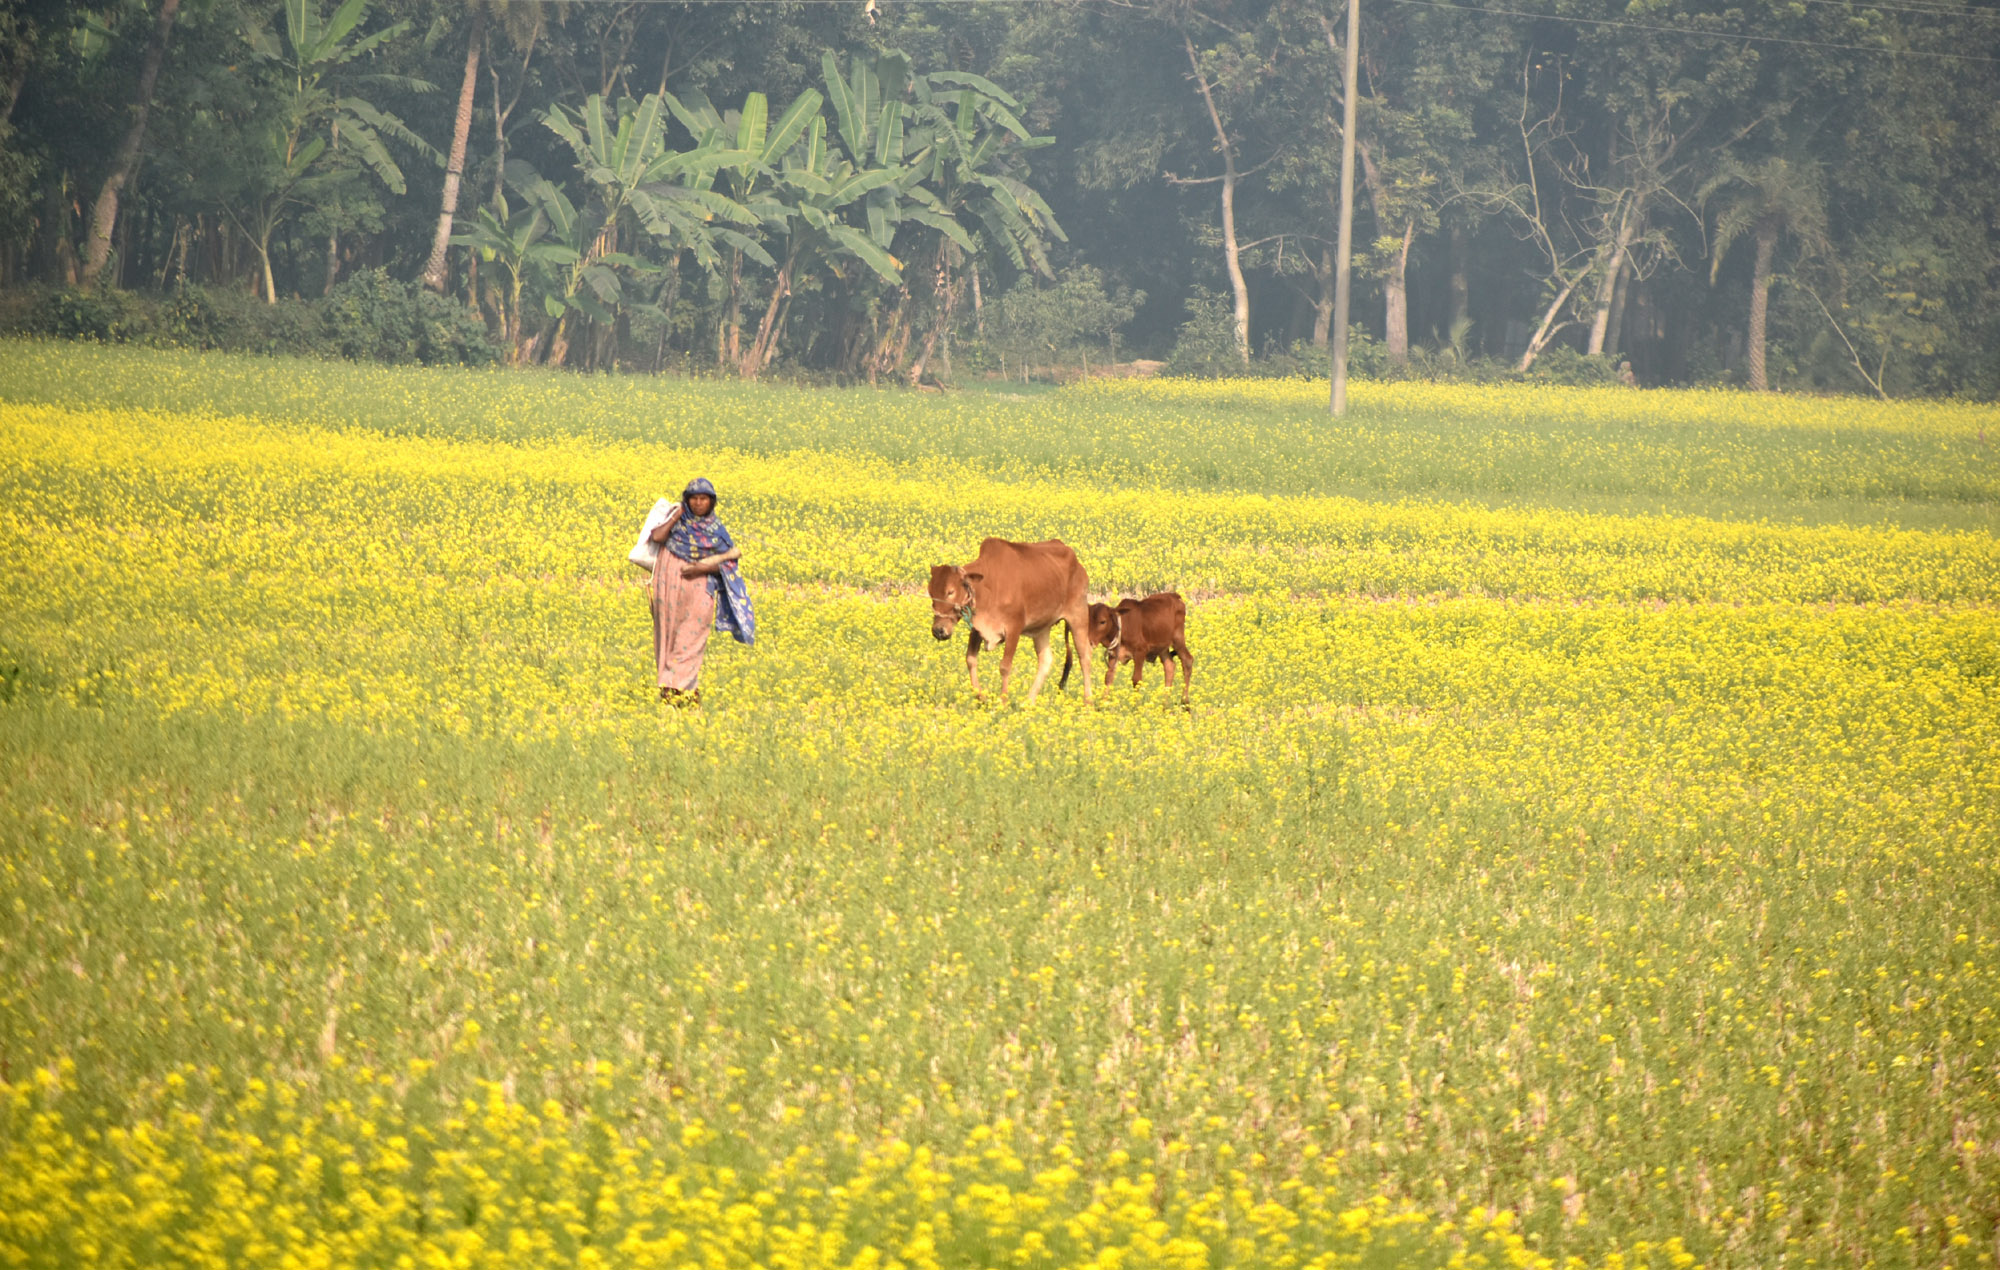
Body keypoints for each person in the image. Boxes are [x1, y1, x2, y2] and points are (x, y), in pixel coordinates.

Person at [648, 477, 754, 705]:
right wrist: (676, 515)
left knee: (692, 639)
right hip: (668, 589)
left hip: (699, 591)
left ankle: (682, 692)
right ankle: (673, 696)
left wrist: (700, 568)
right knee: (667, 637)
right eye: (693, 499)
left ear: (712, 502)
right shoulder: (676, 521)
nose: (698, 503)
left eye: (703, 499)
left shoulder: (716, 530)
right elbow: (657, 537)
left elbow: (728, 565)